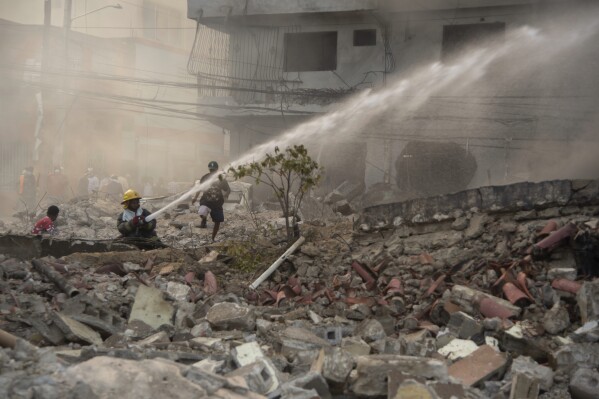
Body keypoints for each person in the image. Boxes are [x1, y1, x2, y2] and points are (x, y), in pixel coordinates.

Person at [191, 161, 230, 241]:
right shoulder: (204, 177)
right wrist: (195, 198)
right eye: (211, 170)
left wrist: (226, 195)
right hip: (206, 201)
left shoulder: (221, 178)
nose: (212, 172)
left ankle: (213, 238)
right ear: (209, 170)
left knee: (217, 221)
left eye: (213, 170)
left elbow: (228, 189)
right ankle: (204, 220)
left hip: (217, 203)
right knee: (202, 212)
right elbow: (199, 188)